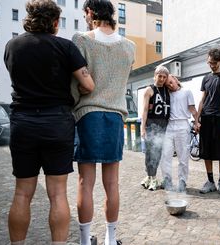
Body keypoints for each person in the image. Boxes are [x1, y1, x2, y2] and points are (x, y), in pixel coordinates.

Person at [3, 0, 95, 244]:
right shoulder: (64, 47)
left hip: (23, 122)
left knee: (22, 193)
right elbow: (88, 85)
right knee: (57, 194)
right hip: (57, 123)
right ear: (55, 22)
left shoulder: (13, 46)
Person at [72, 0, 135, 244]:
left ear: (90, 12)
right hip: (115, 116)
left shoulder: (82, 39)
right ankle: (111, 239)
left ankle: (85, 240)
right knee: (112, 182)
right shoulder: (130, 47)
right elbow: (119, 81)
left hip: (88, 114)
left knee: (85, 182)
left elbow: (76, 85)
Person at [196, 48, 220, 194]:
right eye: (209, 62)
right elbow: (202, 100)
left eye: (213, 63)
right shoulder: (205, 78)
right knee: (206, 151)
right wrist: (197, 119)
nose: (211, 65)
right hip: (206, 117)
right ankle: (210, 181)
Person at [160, 75, 198, 192]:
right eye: (168, 85)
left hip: (182, 125)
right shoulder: (167, 95)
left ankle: (182, 180)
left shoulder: (186, 92)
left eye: (171, 82)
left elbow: (192, 109)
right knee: (166, 155)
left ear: (176, 80)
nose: (170, 85)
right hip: (169, 125)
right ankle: (167, 179)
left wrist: (197, 122)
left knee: (183, 156)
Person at [140, 65, 170, 191]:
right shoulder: (149, 90)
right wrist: (143, 128)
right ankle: (151, 177)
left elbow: (178, 85)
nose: (162, 79)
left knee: (158, 153)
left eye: (164, 77)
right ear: (155, 76)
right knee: (150, 152)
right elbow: (145, 110)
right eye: (160, 76)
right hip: (152, 124)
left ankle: (151, 176)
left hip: (164, 124)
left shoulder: (168, 90)